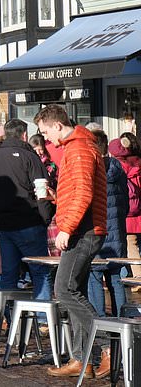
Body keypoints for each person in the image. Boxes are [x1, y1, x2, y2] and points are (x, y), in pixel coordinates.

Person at [35, 104, 107, 378]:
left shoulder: (77, 149)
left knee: (64, 290)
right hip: (85, 228)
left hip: (83, 231)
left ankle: (104, 348)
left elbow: (83, 194)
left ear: (56, 125)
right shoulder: (79, 147)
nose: (46, 139)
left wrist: (66, 227)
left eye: (45, 132)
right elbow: (79, 191)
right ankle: (82, 358)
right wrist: (57, 197)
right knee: (76, 291)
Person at [0, 119, 54, 300]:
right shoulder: (30, 158)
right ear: (24, 135)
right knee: (39, 271)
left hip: (5, 224)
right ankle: (43, 318)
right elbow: (42, 190)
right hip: (29, 222)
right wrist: (45, 218)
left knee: (9, 272)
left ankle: (8, 315)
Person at [87, 129, 128, 378]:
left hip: (98, 236)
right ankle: (124, 338)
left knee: (94, 286)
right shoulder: (118, 168)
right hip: (117, 237)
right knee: (116, 283)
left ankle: (106, 347)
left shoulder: (94, 170)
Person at [110, 132, 141, 280]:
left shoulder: (115, 166)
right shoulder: (137, 163)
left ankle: (137, 277)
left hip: (126, 214)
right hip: (139, 212)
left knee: (129, 244)